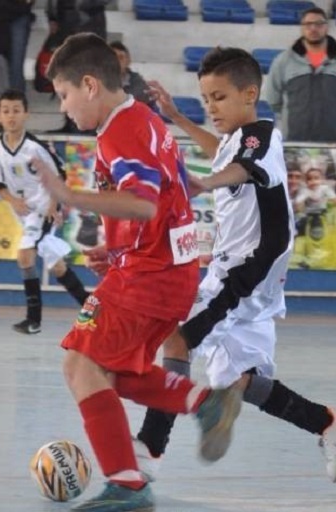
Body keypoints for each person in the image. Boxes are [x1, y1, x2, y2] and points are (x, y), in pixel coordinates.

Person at [34, 33, 244, 511]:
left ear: (89, 85)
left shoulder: (122, 130)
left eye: (64, 95)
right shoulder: (140, 119)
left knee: (81, 365)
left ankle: (127, 485)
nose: (65, 108)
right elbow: (163, 203)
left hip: (150, 278)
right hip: (161, 270)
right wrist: (118, 246)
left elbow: (143, 205)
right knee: (111, 371)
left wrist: (69, 198)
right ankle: (203, 402)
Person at [133, 47, 336, 485]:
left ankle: (147, 454)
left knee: (177, 339)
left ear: (250, 94)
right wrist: (177, 117)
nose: (211, 107)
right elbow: (223, 151)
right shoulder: (237, 141)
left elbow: (240, 167)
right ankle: (326, 424)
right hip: (253, 278)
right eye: (205, 99)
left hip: (247, 271)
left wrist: (205, 181)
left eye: (219, 98)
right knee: (241, 381)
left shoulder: (262, 136)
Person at [0, 89, 89, 334]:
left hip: (42, 208)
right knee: (57, 267)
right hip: (22, 212)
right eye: (6, 111)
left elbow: (59, 174)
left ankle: (34, 319)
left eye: (16, 111)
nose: (11, 116)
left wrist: (53, 204)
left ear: (26, 114)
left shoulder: (35, 147)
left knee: (24, 257)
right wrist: (13, 201)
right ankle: (94, 309)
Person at [265, 7, 336, 142]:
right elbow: (273, 101)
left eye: (319, 24)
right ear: (301, 28)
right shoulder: (283, 61)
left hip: (333, 144)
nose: (313, 28)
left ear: (327, 27)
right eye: (308, 24)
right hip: (294, 141)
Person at [108, 41, 154, 109]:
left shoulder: (139, 84)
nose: (116, 61)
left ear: (128, 61)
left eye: (121, 57)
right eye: (113, 57)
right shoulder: (98, 82)